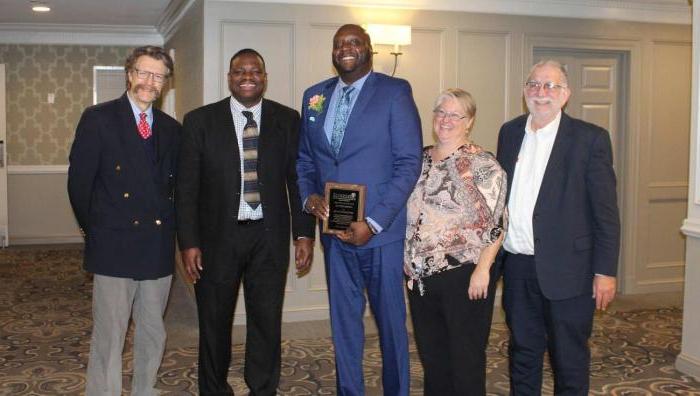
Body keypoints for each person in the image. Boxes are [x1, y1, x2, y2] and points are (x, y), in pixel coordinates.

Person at [175, 48, 315, 396]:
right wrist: (189, 242)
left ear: (265, 78)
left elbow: (297, 181)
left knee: (266, 320)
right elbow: (187, 188)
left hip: (268, 239)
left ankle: (263, 388)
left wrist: (303, 234)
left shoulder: (287, 119)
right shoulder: (200, 121)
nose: (248, 77)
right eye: (240, 71)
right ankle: (214, 389)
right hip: (216, 240)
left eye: (255, 71)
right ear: (229, 77)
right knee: (214, 321)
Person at [297, 24, 423, 396]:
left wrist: (374, 221)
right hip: (334, 235)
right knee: (344, 326)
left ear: (369, 49)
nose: (346, 49)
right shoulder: (314, 96)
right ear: (333, 52)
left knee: (391, 326)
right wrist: (309, 197)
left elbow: (408, 163)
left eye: (354, 43)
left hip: (380, 236)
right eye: (339, 44)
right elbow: (306, 160)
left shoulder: (394, 91)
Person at [496, 59, 620, 395]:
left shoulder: (589, 139)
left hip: (571, 270)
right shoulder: (509, 132)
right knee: (522, 352)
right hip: (519, 264)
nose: (541, 92)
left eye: (551, 85)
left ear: (565, 94)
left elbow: (606, 213)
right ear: (525, 92)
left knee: (569, 358)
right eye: (534, 84)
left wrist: (605, 271)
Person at [67, 45, 180, 396]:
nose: (150, 81)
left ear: (165, 84)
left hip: (157, 248)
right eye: (144, 73)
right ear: (129, 74)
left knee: (152, 330)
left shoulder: (172, 129)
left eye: (158, 76)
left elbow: (176, 189)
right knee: (110, 333)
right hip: (113, 246)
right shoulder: (98, 118)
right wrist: (97, 233)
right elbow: (79, 186)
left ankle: (145, 390)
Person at [404, 88, 507, 395]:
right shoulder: (418, 159)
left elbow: (498, 222)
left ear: (469, 121)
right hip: (420, 279)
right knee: (433, 359)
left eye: (454, 114)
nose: (445, 120)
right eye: (440, 113)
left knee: (465, 359)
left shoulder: (484, 165)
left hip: (464, 276)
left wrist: (483, 269)